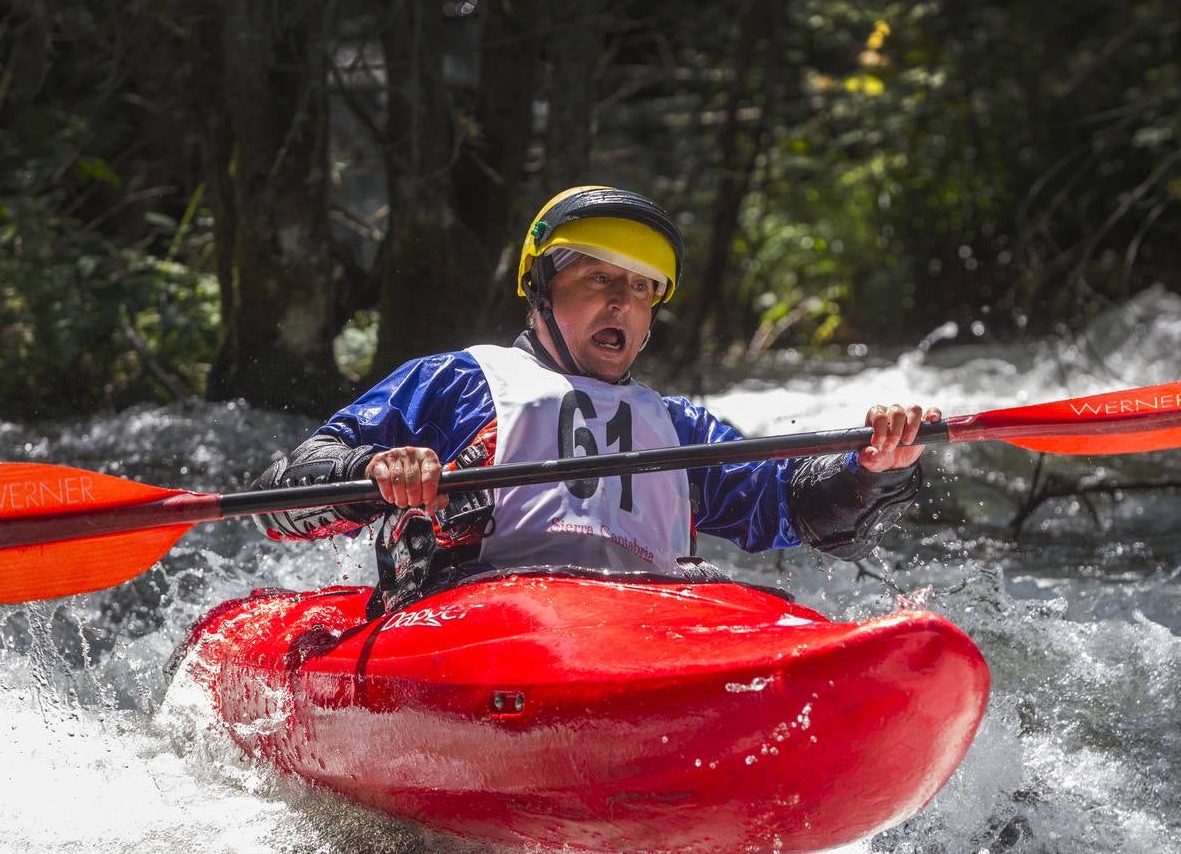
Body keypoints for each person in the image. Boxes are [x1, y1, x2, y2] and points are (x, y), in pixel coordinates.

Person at [255, 186, 940, 614]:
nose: (623, 301)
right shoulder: (458, 380)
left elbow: (787, 505)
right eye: (599, 278)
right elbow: (286, 491)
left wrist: (875, 468)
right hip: (476, 625)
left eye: (642, 288)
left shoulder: (673, 425)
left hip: (641, 626)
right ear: (542, 289)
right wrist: (374, 470)